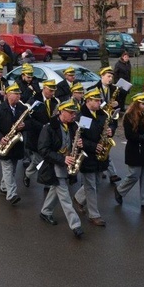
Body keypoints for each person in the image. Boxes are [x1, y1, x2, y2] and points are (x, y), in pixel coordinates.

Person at [37, 100, 84, 239]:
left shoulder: (72, 126)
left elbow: (73, 144)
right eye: (70, 112)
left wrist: (80, 145)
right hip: (54, 166)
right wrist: (62, 158)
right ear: (61, 112)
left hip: (65, 165)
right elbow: (43, 150)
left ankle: (45, 212)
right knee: (65, 197)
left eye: (74, 112)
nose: (73, 115)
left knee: (55, 190)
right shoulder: (49, 127)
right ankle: (75, 225)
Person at [113, 93, 144, 215]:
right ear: (137, 104)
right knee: (134, 175)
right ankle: (120, 191)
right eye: (143, 104)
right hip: (135, 150)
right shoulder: (129, 116)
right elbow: (130, 136)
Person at [73, 88, 111, 227]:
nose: (99, 102)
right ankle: (94, 215)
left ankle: (78, 198)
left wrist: (109, 131)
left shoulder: (102, 114)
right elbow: (79, 137)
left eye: (99, 100)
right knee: (90, 186)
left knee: (97, 183)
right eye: (96, 100)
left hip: (100, 156)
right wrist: (93, 146)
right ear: (88, 101)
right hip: (88, 155)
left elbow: (109, 125)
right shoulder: (82, 117)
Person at [0, 84, 28, 204]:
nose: (19, 96)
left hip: (16, 145)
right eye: (16, 94)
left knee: (12, 169)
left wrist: (24, 125)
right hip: (4, 144)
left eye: (19, 94)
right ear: (8, 95)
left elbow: (30, 122)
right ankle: (12, 194)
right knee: (8, 169)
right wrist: (0, 138)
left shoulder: (22, 108)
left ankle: (4, 187)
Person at [24, 80, 59, 188]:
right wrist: (42, 127)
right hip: (36, 136)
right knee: (42, 160)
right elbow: (28, 119)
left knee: (38, 160)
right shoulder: (34, 100)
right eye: (50, 90)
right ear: (44, 88)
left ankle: (28, 174)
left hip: (50, 136)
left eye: (54, 91)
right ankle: (47, 183)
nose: (52, 93)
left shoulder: (55, 101)